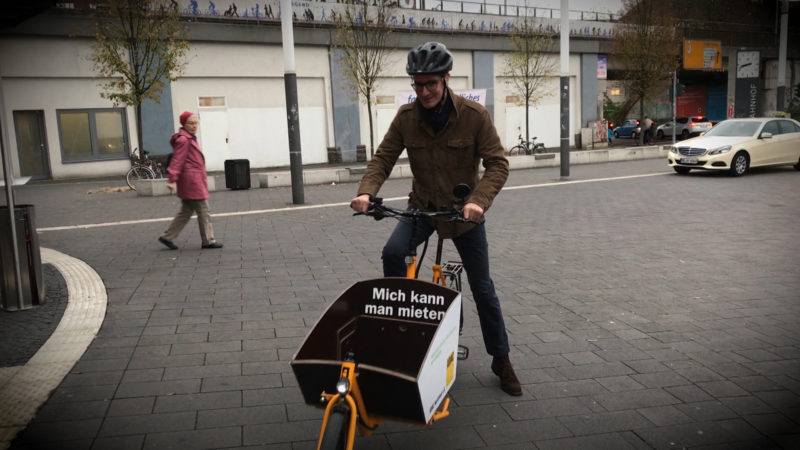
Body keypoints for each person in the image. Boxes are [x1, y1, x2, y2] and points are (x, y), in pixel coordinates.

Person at [349, 42, 521, 396]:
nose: (425, 91)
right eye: (418, 84)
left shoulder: (473, 116)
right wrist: (367, 192)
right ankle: (401, 334)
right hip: (422, 208)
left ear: (446, 79)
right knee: (393, 253)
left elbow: (498, 164)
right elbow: (383, 157)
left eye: (431, 84)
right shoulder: (406, 118)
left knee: (483, 288)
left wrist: (478, 202)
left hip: (463, 213)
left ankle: (501, 358)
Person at [158, 111, 223, 250]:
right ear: (184, 124)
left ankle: (167, 236)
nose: (194, 126)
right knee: (204, 210)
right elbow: (177, 160)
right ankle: (208, 240)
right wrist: (172, 179)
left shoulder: (189, 138)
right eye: (191, 123)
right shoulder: (184, 140)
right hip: (192, 181)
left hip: (191, 180)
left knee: (186, 210)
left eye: (195, 123)